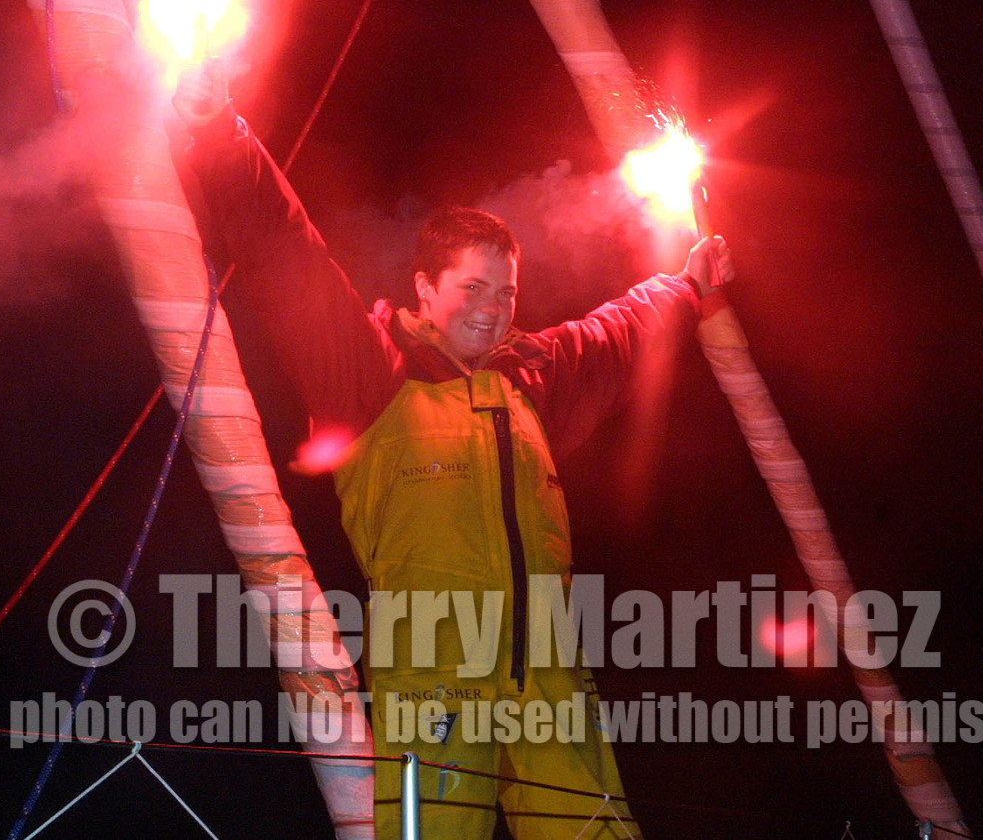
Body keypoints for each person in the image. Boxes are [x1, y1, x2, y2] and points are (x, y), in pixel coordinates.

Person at [175, 65, 731, 840]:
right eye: (471, 288)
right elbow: (283, 252)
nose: (491, 308)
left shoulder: (532, 378)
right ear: (425, 289)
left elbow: (617, 333)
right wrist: (217, 133)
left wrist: (687, 286)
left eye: (504, 292)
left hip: (549, 680)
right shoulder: (371, 371)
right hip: (432, 683)